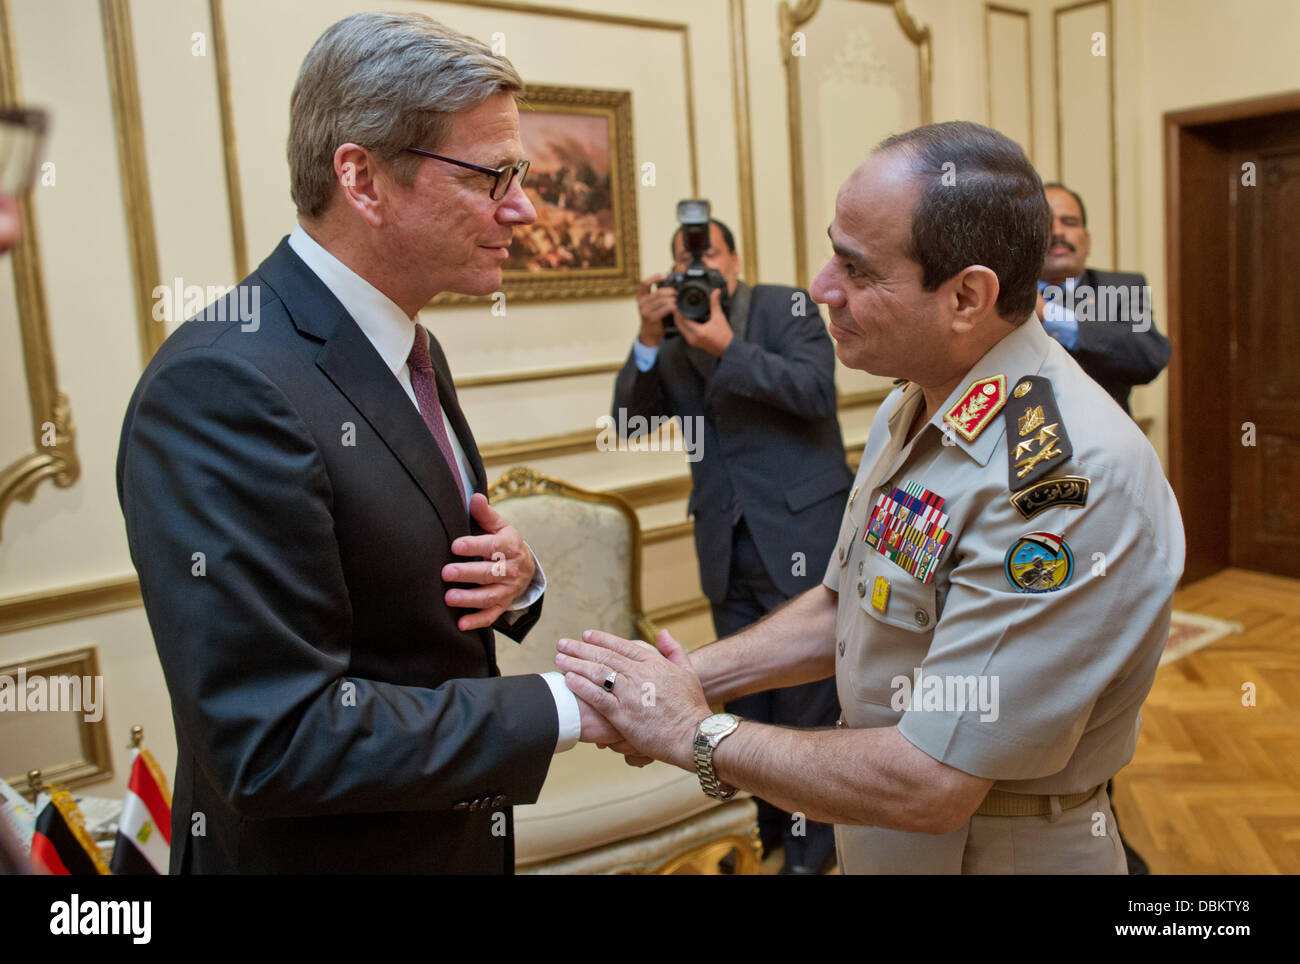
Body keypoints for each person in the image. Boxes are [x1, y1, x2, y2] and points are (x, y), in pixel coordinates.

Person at [560, 121, 1185, 874]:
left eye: (857, 270)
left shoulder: (1061, 480)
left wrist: (694, 733)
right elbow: (844, 605)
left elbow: (933, 781)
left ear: (966, 297)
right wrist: (688, 677)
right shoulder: (916, 401)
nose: (822, 288)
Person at [116, 12, 604, 874]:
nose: (523, 208)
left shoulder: (408, 343)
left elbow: (405, 579)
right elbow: (275, 739)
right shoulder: (222, 384)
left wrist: (515, 584)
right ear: (362, 177)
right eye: (492, 175)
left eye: (519, 173)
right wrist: (574, 706)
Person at [611, 217, 851, 873]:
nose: (702, 272)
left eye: (710, 255)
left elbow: (814, 392)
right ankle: (766, 830)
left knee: (808, 707)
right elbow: (630, 420)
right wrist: (646, 335)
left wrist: (723, 345)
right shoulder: (674, 328)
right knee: (748, 703)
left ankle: (813, 854)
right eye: (689, 263)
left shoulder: (785, 307)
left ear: (735, 260)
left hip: (800, 531)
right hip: (726, 541)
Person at [1037, 183, 1170, 414]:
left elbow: (1149, 356)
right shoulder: (1003, 293)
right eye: (1044, 223)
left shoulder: (1123, 288)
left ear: (1087, 241)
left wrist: (1050, 316)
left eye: (1069, 222)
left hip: (1104, 438)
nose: (1057, 232)